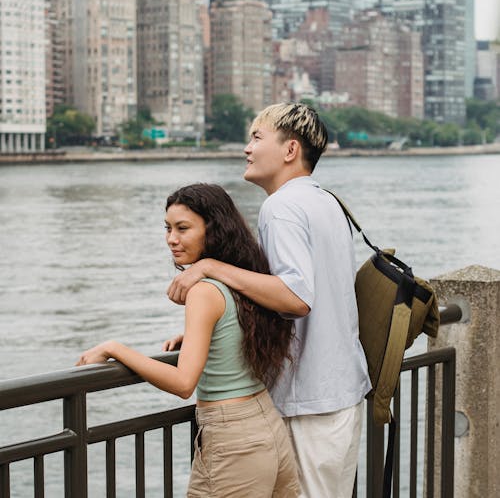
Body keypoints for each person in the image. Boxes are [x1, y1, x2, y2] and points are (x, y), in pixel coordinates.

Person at [167, 103, 372, 498]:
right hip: (342, 392)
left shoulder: (281, 207)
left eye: (257, 137)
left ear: (290, 150)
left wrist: (211, 266)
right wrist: (206, 334)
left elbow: (295, 298)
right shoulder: (328, 202)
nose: (247, 148)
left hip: (307, 401)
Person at [76, 183, 300, 498]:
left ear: (214, 230)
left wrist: (116, 349)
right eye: (167, 228)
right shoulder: (241, 277)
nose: (171, 239)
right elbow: (235, 329)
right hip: (267, 426)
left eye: (183, 228)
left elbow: (183, 383)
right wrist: (199, 338)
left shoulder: (204, 290)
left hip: (233, 439)